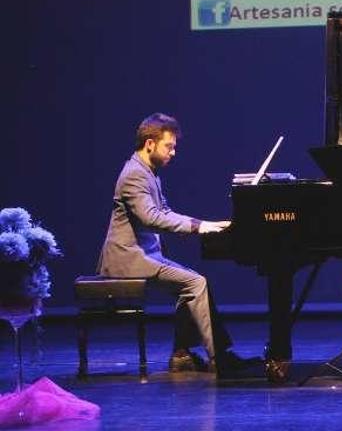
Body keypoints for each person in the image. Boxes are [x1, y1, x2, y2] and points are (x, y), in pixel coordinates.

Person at [97, 113, 256, 377]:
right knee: (195, 283)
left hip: (144, 255)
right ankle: (220, 359)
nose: (173, 152)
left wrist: (205, 223)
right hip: (128, 259)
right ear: (150, 143)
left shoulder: (149, 173)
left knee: (191, 282)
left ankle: (181, 354)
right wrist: (198, 228)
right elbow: (151, 217)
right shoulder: (134, 175)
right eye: (168, 146)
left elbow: (166, 211)